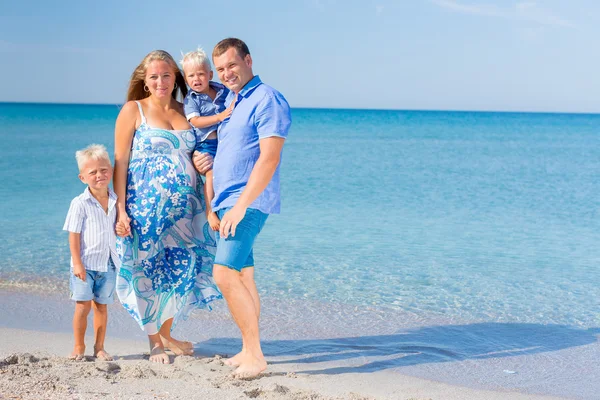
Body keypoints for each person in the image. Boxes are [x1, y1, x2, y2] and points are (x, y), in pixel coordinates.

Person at [113, 50, 221, 364]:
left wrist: (205, 162)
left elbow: (205, 150)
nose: (161, 82)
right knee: (146, 270)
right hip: (145, 208)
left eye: (166, 75)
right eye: (154, 77)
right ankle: (155, 343)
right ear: (144, 82)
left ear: (176, 77)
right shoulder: (134, 110)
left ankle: (167, 333)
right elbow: (120, 162)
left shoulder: (188, 110)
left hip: (188, 211)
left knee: (181, 271)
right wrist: (120, 210)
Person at [207, 38, 292, 378]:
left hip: (247, 202)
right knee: (243, 275)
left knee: (223, 274)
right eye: (221, 69)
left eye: (232, 65)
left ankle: (255, 355)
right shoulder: (232, 101)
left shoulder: (267, 99)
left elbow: (270, 157)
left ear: (248, 60)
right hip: (228, 201)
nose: (227, 73)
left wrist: (241, 205)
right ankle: (248, 348)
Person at [63, 144, 118, 362]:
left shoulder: (116, 200)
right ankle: (78, 346)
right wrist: (77, 263)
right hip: (85, 264)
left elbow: (119, 229)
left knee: (102, 307)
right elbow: (74, 235)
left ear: (111, 171)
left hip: (109, 264)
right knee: (83, 306)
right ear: (82, 177)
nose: (99, 175)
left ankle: (100, 347)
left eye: (103, 170)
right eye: (92, 172)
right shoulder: (79, 203)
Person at [180, 48, 233, 232]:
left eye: (201, 74)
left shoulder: (221, 90)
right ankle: (210, 211)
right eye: (191, 76)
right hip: (206, 145)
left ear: (210, 74)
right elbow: (195, 121)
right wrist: (220, 117)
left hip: (224, 143)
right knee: (211, 175)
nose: (196, 79)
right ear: (186, 79)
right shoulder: (191, 99)